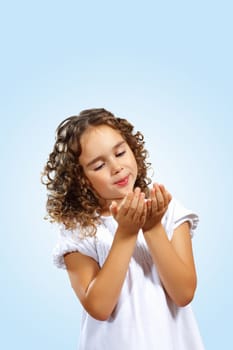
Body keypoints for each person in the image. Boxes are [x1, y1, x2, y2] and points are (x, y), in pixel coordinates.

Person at [42, 108, 205, 349]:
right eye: (98, 166)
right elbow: (98, 307)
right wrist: (126, 233)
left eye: (120, 152)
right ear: (81, 179)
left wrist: (152, 228)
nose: (117, 167)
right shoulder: (79, 230)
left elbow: (184, 293)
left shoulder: (168, 211)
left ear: (133, 149)